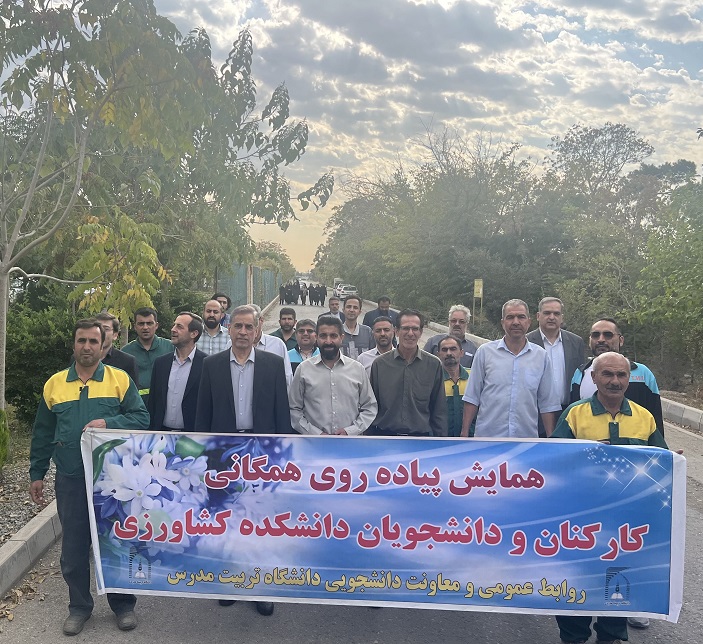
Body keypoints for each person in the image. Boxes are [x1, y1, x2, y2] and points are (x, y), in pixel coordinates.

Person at [29, 319, 149, 635]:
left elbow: (141, 418)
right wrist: (37, 473)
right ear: (73, 345)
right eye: (81, 340)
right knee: (74, 547)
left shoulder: (119, 379)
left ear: (103, 345)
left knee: (116, 541)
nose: (87, 347)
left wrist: (108, 423)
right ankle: (79, 607)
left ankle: (123, 605)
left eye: (93, 341)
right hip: (71, 477)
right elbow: (43, 433)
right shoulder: (55, 384)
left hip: (114, 480)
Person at [552, 351, 667, 644]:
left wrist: (671, 463)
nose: (615, 381)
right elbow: (553, 461)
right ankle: (573, 637)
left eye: (621, 375)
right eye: (607, 374)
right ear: (594, 378)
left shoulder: (644, 417)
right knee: (576, 580)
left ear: (629, 378)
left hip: (626, 524)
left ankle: (612, 636)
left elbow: (660, 464)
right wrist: (587, 453)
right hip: (581, 521)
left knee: (619, 581)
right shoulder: (575, 414)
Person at [195, 305, 292, 617]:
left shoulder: (273, 364)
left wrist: (280, 456)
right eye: (237, 326)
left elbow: (282, 414)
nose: (243, 332)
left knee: (260, 521)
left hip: (261, 453)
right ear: (229, 328)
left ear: (257, 330)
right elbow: (202, 415)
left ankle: (261, 587)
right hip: (223, 454)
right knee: (227, 520)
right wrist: (204, 457)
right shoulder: (211, 365)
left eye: (249, 327)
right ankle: (230, 582)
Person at [460, 299, 561, 438]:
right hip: (488, 438)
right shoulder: (485, 353)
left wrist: (551, 439)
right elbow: (472, 396)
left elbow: (547, 403)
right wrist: (464, 433)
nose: (516, 322)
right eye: (510, 317)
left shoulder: (541, 356)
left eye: (521, 317)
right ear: (502, 323)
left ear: (529, 322)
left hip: (525, 440)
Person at [570, 318, 664, 437]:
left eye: (608, 335)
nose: (601, 339)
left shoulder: (643, 373)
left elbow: (655, 419)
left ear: (621, 340)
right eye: (595, 335)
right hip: (590, 446)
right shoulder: (579, 374)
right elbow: (572, 418)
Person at [289, 316, 377, 435]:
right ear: (316, 338)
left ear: (342, 337)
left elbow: (370, 407)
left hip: (350, 442)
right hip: (313, 443)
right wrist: (315, 433)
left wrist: (350, 431)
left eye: (333, 336)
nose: (328, 341)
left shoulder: (357, 369)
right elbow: (294, 409)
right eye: (323, 336)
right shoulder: (304, 369)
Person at [369, 308, 447, 437]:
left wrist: (440, 442)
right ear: (396, 331)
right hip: (385, 437)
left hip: (420, 440)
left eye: (415, 329)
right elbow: (372, 405)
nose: (410, 333)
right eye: (405, 328)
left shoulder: (433, 365)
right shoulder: (380, 364)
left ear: (421, 332)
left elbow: (439, 409)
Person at [526, 297, 586, 435]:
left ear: (562, 317)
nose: (552, 317)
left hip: (568, 412)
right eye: (547, 313)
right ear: (538, 316)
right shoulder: (526, 341)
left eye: (556, 313)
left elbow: (579, 377)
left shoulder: (576, 342)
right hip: (535, 414)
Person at [148, 312, 206, 432]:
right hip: (161, 435)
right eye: (174, 325)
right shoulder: (161, 363)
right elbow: (153, 402)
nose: (173, 329)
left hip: (192, 436)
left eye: (179, 327)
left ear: (194, 333)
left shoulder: (206, 364)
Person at [121, 307, 173, 403]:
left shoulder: (170, 347)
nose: (145, 327)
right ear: (135, 326)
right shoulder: (125, 352)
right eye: (141, 324)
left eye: (149, 323)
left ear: (156, 325)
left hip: (166, 404)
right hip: (137, 405)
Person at [249, 304, 294, 386]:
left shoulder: (277, 344)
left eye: (252, 322)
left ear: (261, 320)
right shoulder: (232, 344)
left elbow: (287, 376)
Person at [437, 335, 472, 437]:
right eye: (444, 350)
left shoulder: (473, 377)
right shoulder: (433, 378)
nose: (449, 353)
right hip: (440, 439)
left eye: (453, 349)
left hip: (470, 439)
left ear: (461, 352)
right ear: (438, 354)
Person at [94, 312, 139, 387]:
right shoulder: (79, 359)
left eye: (106, 329)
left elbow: (132, 393)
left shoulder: (127, 362)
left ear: (115, 335)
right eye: (98, 328)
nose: (101, 332)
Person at [341, 295, 374, 360]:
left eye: (355, 307)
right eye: (348, 307)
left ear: (359, 312)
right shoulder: (337, 331)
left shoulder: (367, 332)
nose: (351, 310)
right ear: (343, 310)